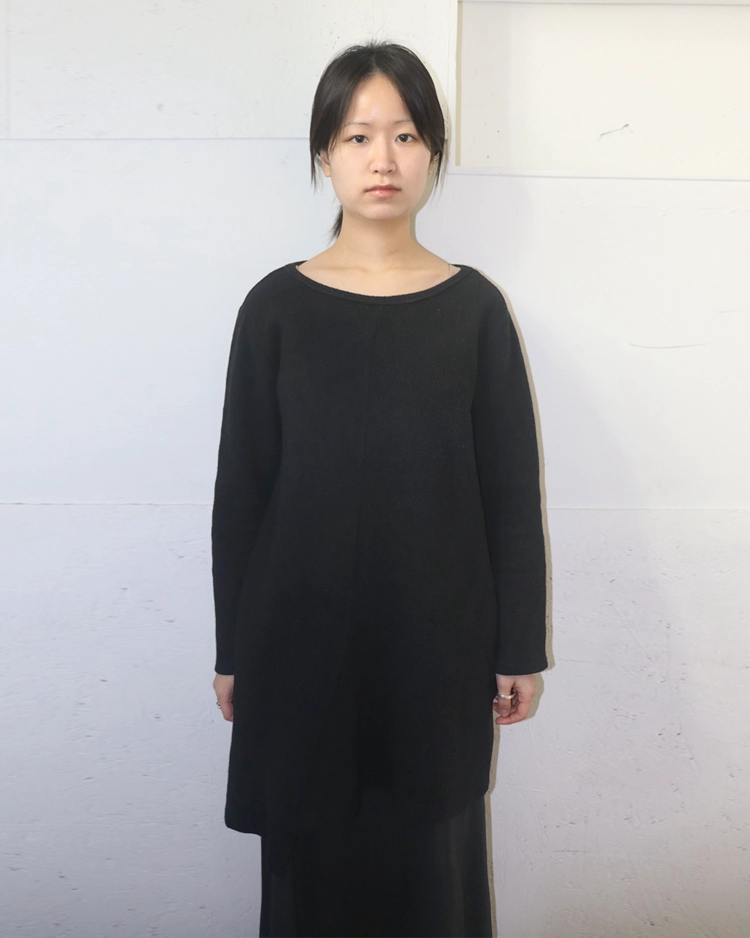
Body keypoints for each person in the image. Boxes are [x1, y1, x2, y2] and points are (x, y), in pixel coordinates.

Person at [211, 39, 549, 938]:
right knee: (309, 880)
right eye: (358, 137)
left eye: (404, 135)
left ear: (433, 151)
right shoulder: (274, 309)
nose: (383, 159)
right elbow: (241, 494)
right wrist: (232, 648)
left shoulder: (473, 310)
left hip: (438, 647)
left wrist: (519, 646)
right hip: (296, 645)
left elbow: (511, 494)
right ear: (324, 154)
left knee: (432, 875)